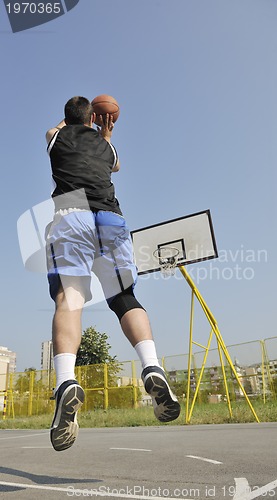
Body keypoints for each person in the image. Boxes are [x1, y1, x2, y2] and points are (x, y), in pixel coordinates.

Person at [45, 96, 180, 452]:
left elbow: (55, 130)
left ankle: (66, 382)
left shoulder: (56, 136)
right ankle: (151, 366)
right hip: (111, 219)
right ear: (94, 118)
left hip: (72, 216)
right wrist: (102, 133)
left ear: (66, 118)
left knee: (69, 299)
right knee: (124, 297)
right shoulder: (108, 149)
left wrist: (75, 122)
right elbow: (116, 165)